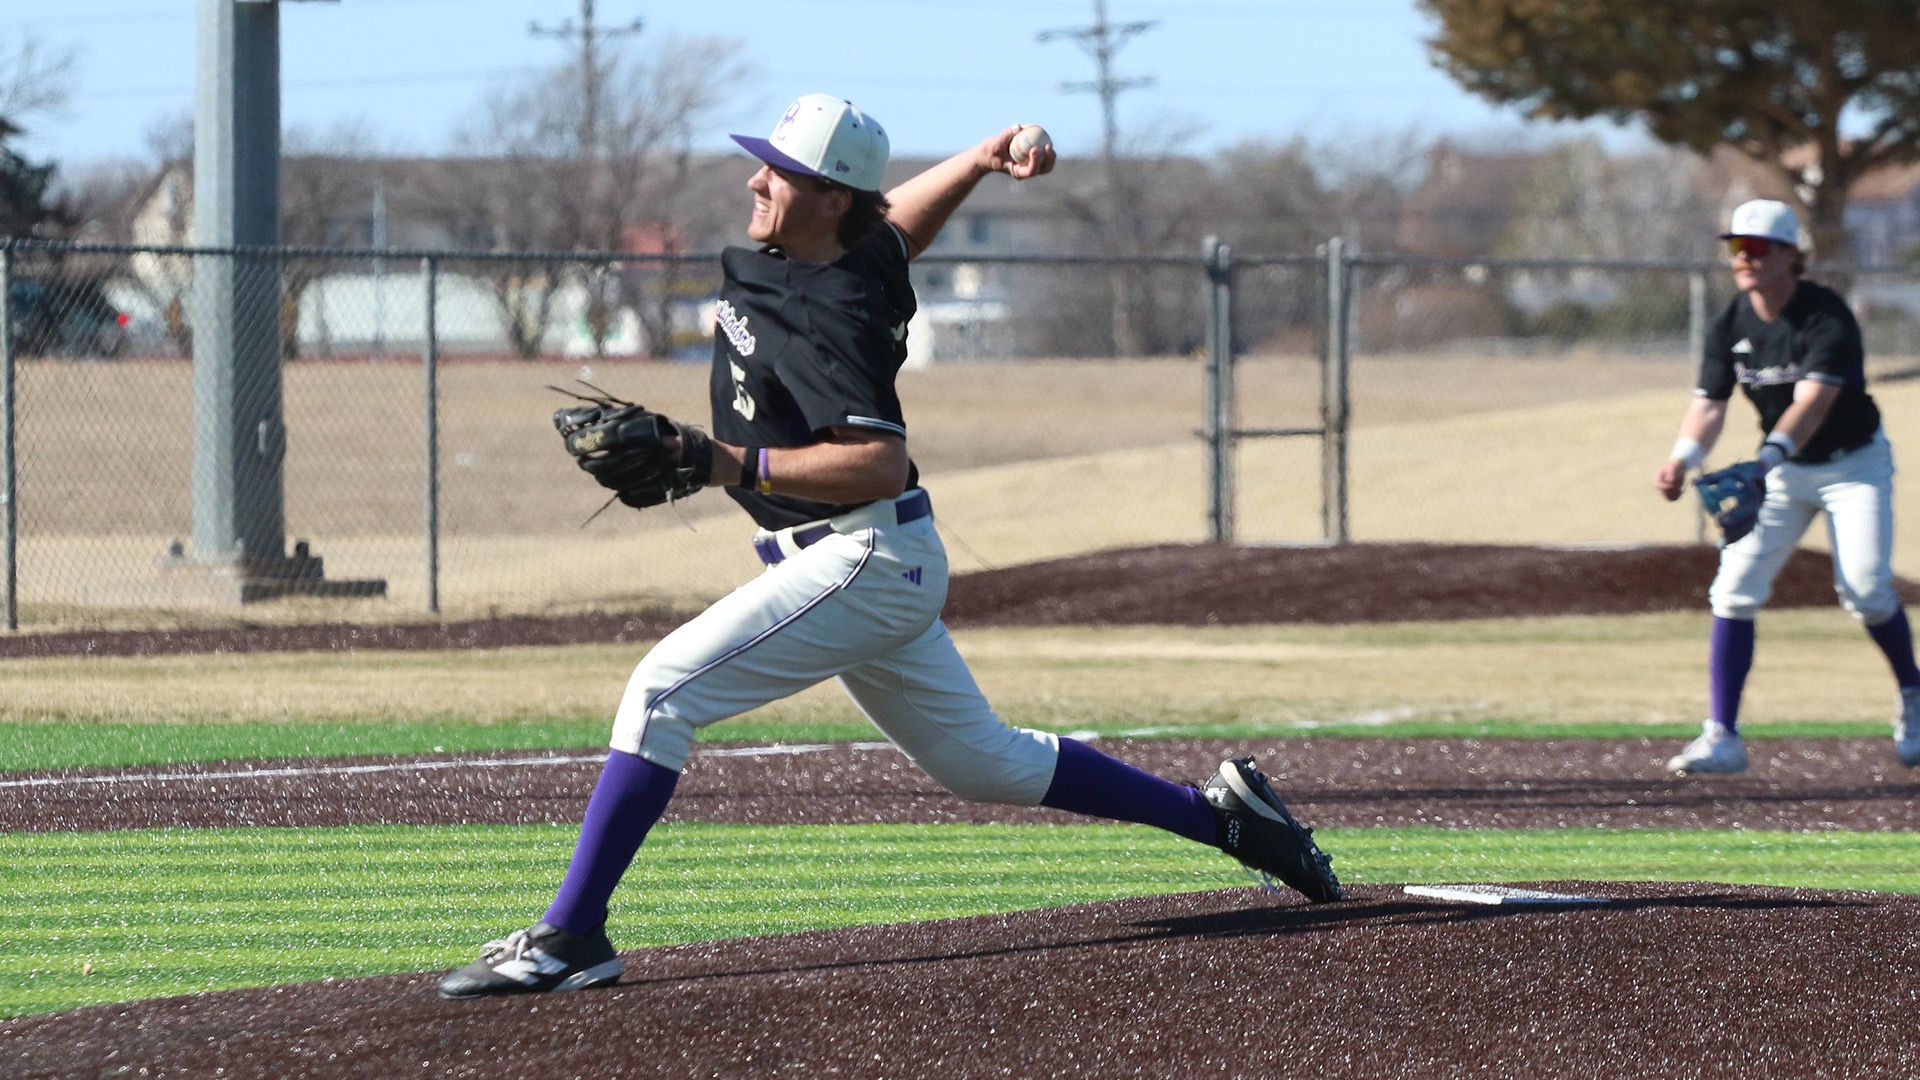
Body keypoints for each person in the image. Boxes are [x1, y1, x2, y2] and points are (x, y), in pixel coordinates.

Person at [439, 94, 1340, 999]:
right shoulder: (842, 249)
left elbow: (877, 461)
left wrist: (721, 460)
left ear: (831, 197)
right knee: (984, 763)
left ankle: (573, 936)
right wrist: (979, 159)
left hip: (861, 559)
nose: (756, 179)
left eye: (780, 172)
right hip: (868, 562)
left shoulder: (836, 307)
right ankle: (1227, 820)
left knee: (661, 695)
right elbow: (900, 220)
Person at [1654, 198, 1920, 775]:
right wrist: (1683, 456)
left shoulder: (1826, 315)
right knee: (1734, 590)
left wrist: (1764, 460)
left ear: (1790, 256)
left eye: (1756, 248)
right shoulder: (1731, 322)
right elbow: (1709, 403)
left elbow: (1814, 402)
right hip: (1781, 471)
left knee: (1867, 590)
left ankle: (1914, 699)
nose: (1743, 258)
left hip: (1852, 465)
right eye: (1735, 248)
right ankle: (1722, 735)